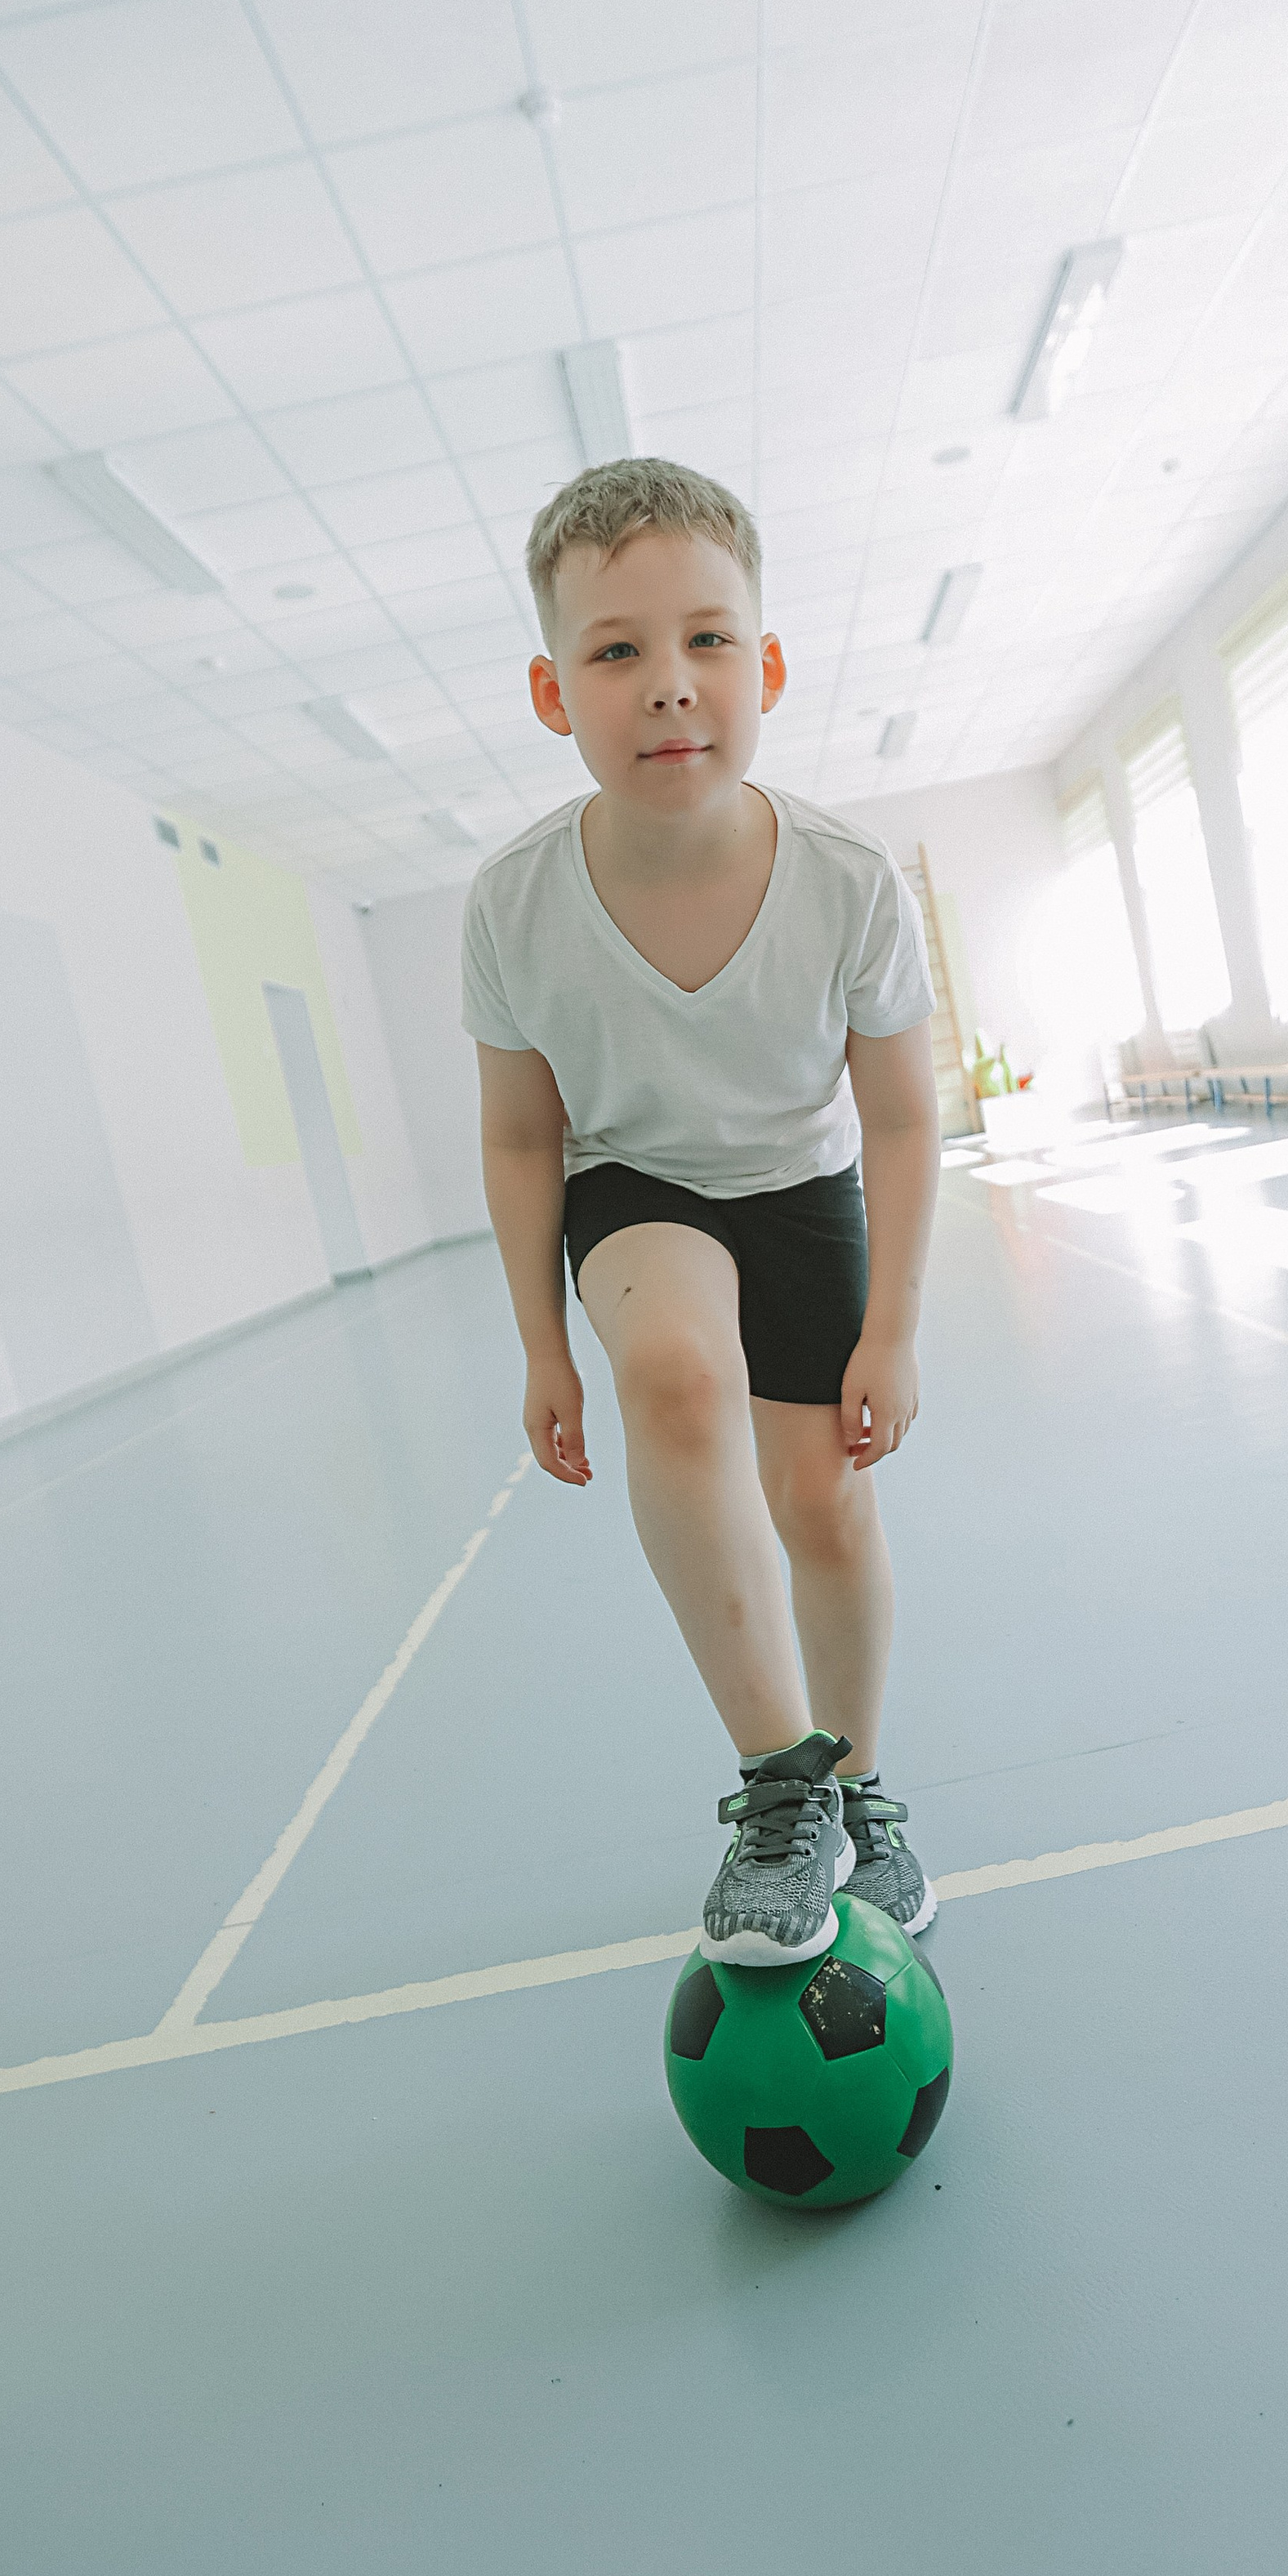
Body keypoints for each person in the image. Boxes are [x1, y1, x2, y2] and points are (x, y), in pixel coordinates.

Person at [461, 457, 943, 1965]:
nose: (669, 685)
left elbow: (906, 1117)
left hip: (802, 1184)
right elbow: (522, 1137)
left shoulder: (851, 883)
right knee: (673, 1375)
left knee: (821, 1500)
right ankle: (783, 1791)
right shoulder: (514, 906)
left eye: (707, 640)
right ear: (555, 693)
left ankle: (862, 1792)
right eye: (617, 651)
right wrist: (545, 1346)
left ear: (767, 666)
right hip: (633, 1178)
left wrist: (892, 1329)